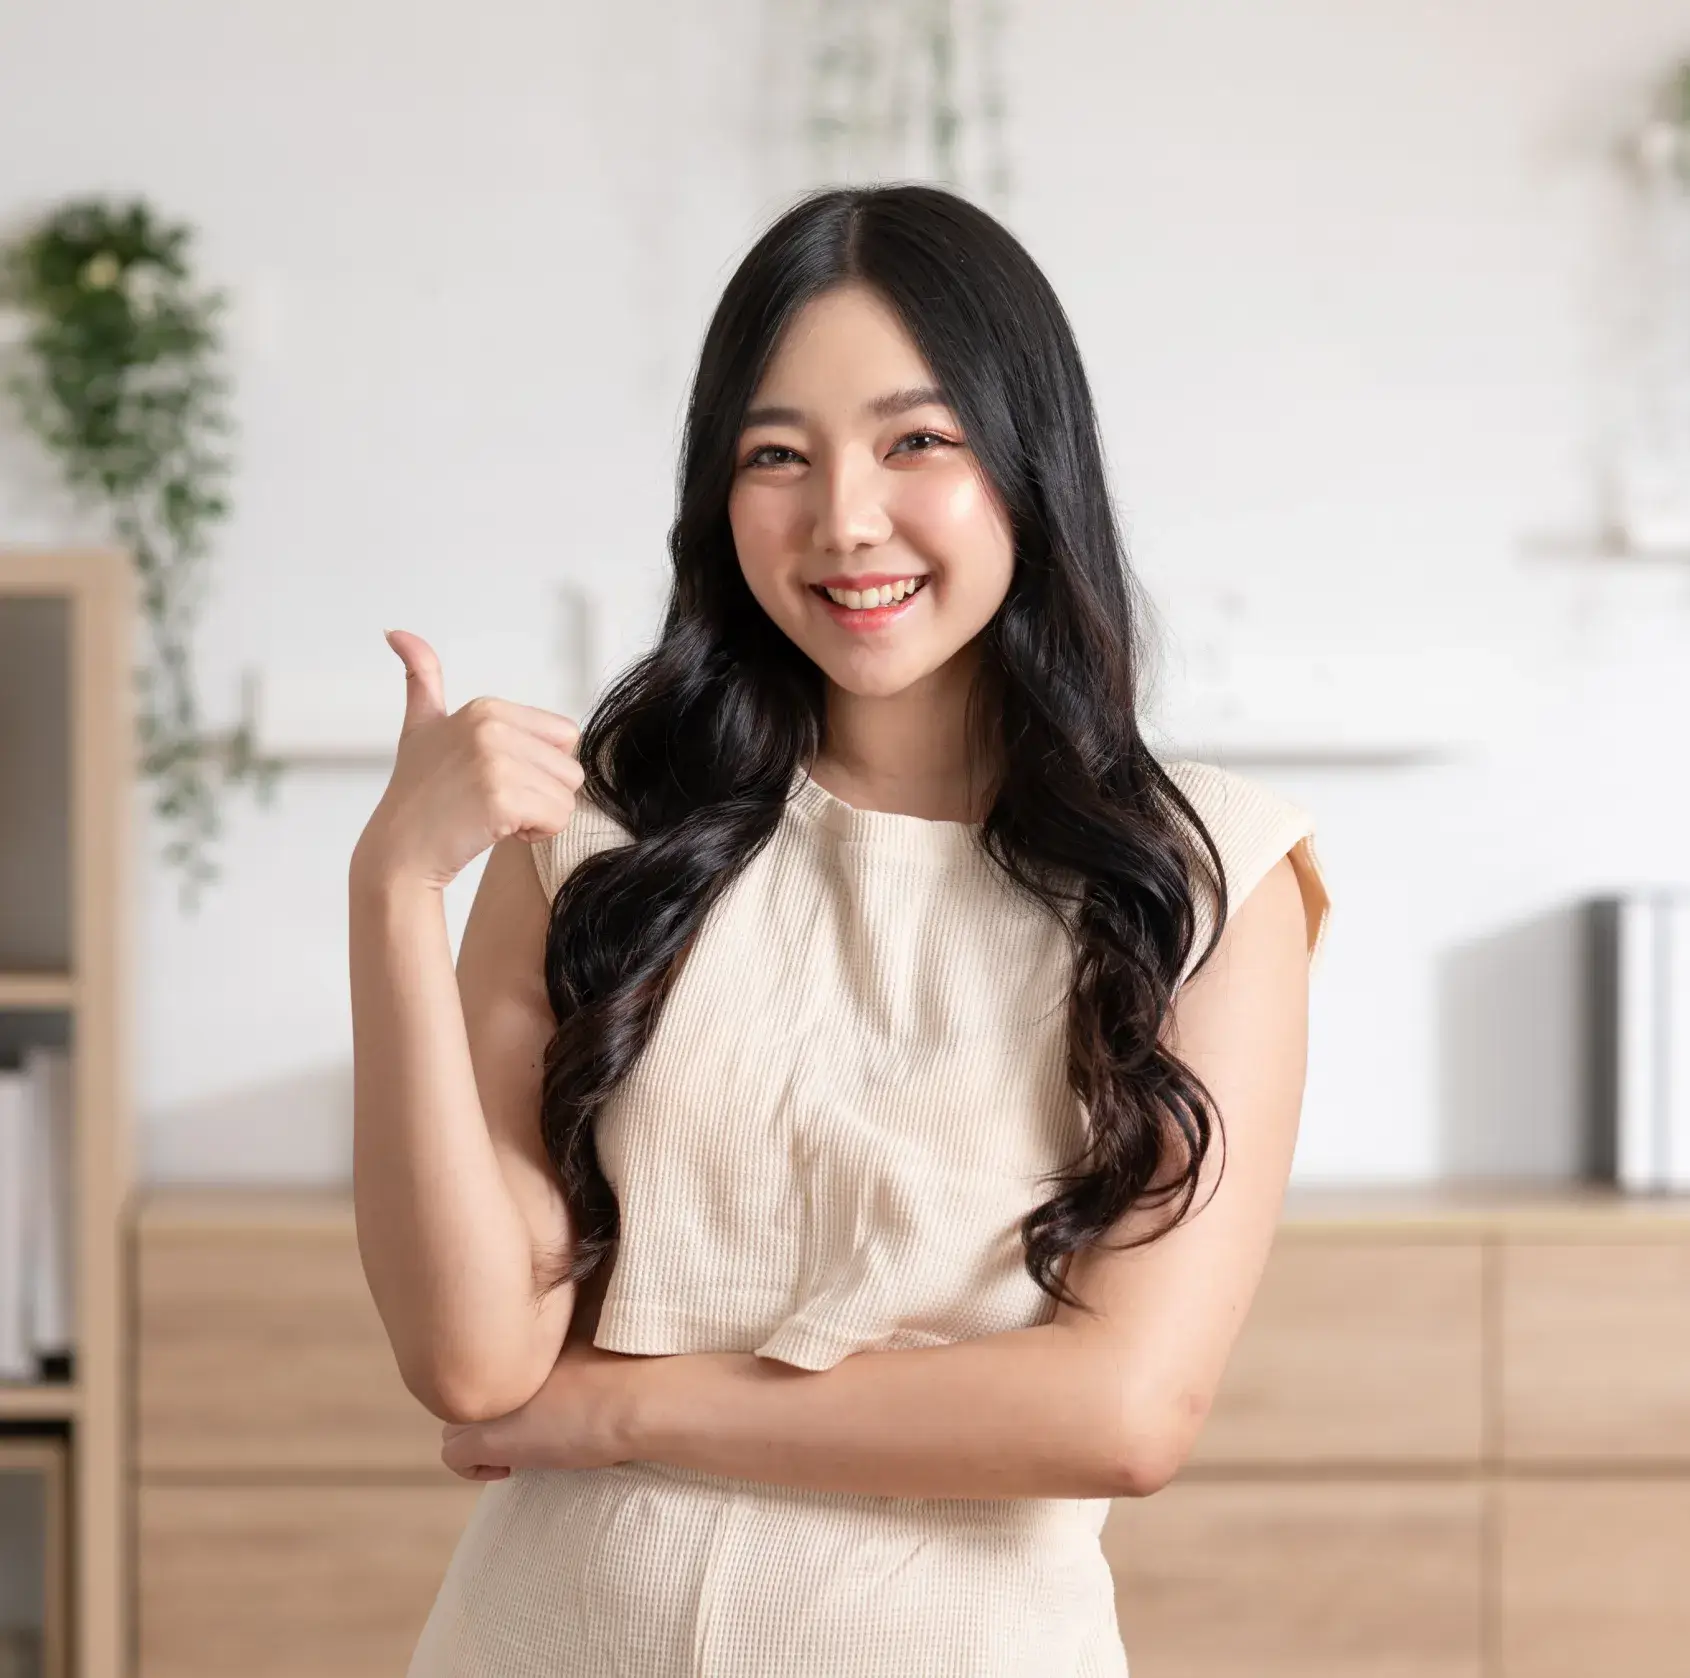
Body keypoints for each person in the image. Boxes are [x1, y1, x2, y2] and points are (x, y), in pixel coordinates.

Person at [348, 181, 1331, 1678]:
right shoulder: (600, 840)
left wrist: (619, 1406)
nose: (844, 520)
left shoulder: (1199, 874)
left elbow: (1125, 1414)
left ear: (1028, 460)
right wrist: (393, 893)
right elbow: (475, 1361)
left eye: (915, 440)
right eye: (775, 455)